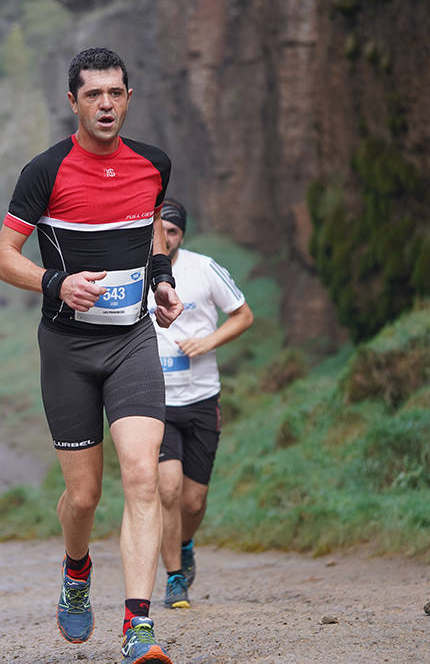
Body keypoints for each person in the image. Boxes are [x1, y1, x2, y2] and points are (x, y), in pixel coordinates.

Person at [0, 47, 182, 664]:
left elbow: (150, 226)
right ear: (72, 102)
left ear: (129, 98)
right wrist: (55, 283)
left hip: (132, 341)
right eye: (93, 95)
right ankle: (76, 573)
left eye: (116, 94)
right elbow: (2, 258)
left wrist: (160, 279)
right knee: (84, 498)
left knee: (144, 475)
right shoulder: (44, 172)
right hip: (68, 350)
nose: (106, 105)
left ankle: (138, 628)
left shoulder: (153, 164)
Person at [147, 198, 253, 611]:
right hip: (156, 401)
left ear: (182, 235)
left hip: (202, 396)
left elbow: (243, 315)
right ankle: (174, 578)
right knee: (167, 490)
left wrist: (207, 342)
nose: (166, 237)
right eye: (160, 230)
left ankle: (186, 544)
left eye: (172, 231)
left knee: (193, 500)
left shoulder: (203, 268)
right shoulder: (138, 271)